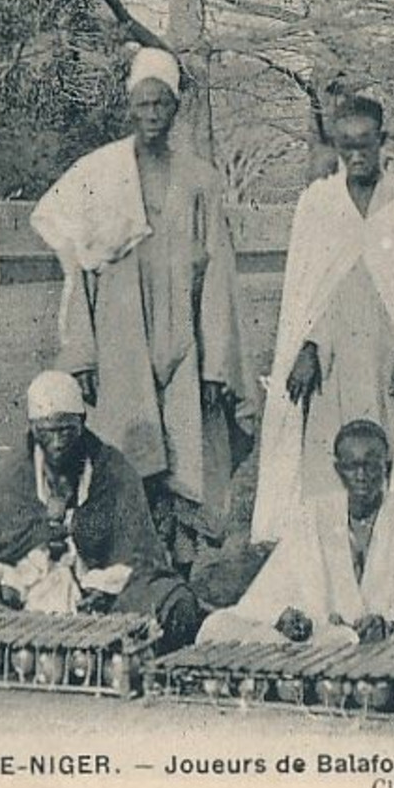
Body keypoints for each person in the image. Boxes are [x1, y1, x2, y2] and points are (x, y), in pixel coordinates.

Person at [30, 47, 255, 580]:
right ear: (129, 107)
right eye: (142, 103)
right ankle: (124, 567)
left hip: (183, 339)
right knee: (127, 454)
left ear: (175, 107)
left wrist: (215, 367)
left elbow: (218, 272)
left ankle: (176, 572)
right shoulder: (103, 174)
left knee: (185, 456)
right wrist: (82, 355)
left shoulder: (200, 179)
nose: (152, 113)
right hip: (120, 337)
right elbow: (80, 268)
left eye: (162, 103)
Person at [250, 97, 394, 567]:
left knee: (393, 464)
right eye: (346, 146)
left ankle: (392, 572)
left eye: (364, 145)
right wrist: (306, 346)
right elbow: (305, 293)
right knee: (330, 467)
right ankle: (332, 572)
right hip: (332, 363)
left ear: (383, 143)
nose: (356, 156)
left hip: (389, 365)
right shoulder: (318, 205)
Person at [0, 372, 202, 651]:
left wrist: (102, 585)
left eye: (67, 430)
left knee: (177, 602)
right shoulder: (15, 474)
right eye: (48, 432)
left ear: (83, 423)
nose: (58, 443)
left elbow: (137, 553)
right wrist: (6, 587)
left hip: (100, 588)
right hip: (28, 589)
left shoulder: (113, 469)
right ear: (33, 428)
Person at [201, 420, 394, 647]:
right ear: (339, 470)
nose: (361, 475)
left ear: (387, 467)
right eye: (352, 466)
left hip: (388, 639)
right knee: (219, 625)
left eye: (371, 465)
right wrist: (285, 616)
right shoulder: (314, 513)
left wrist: (389, 624)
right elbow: (272, 588)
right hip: (322, 635)